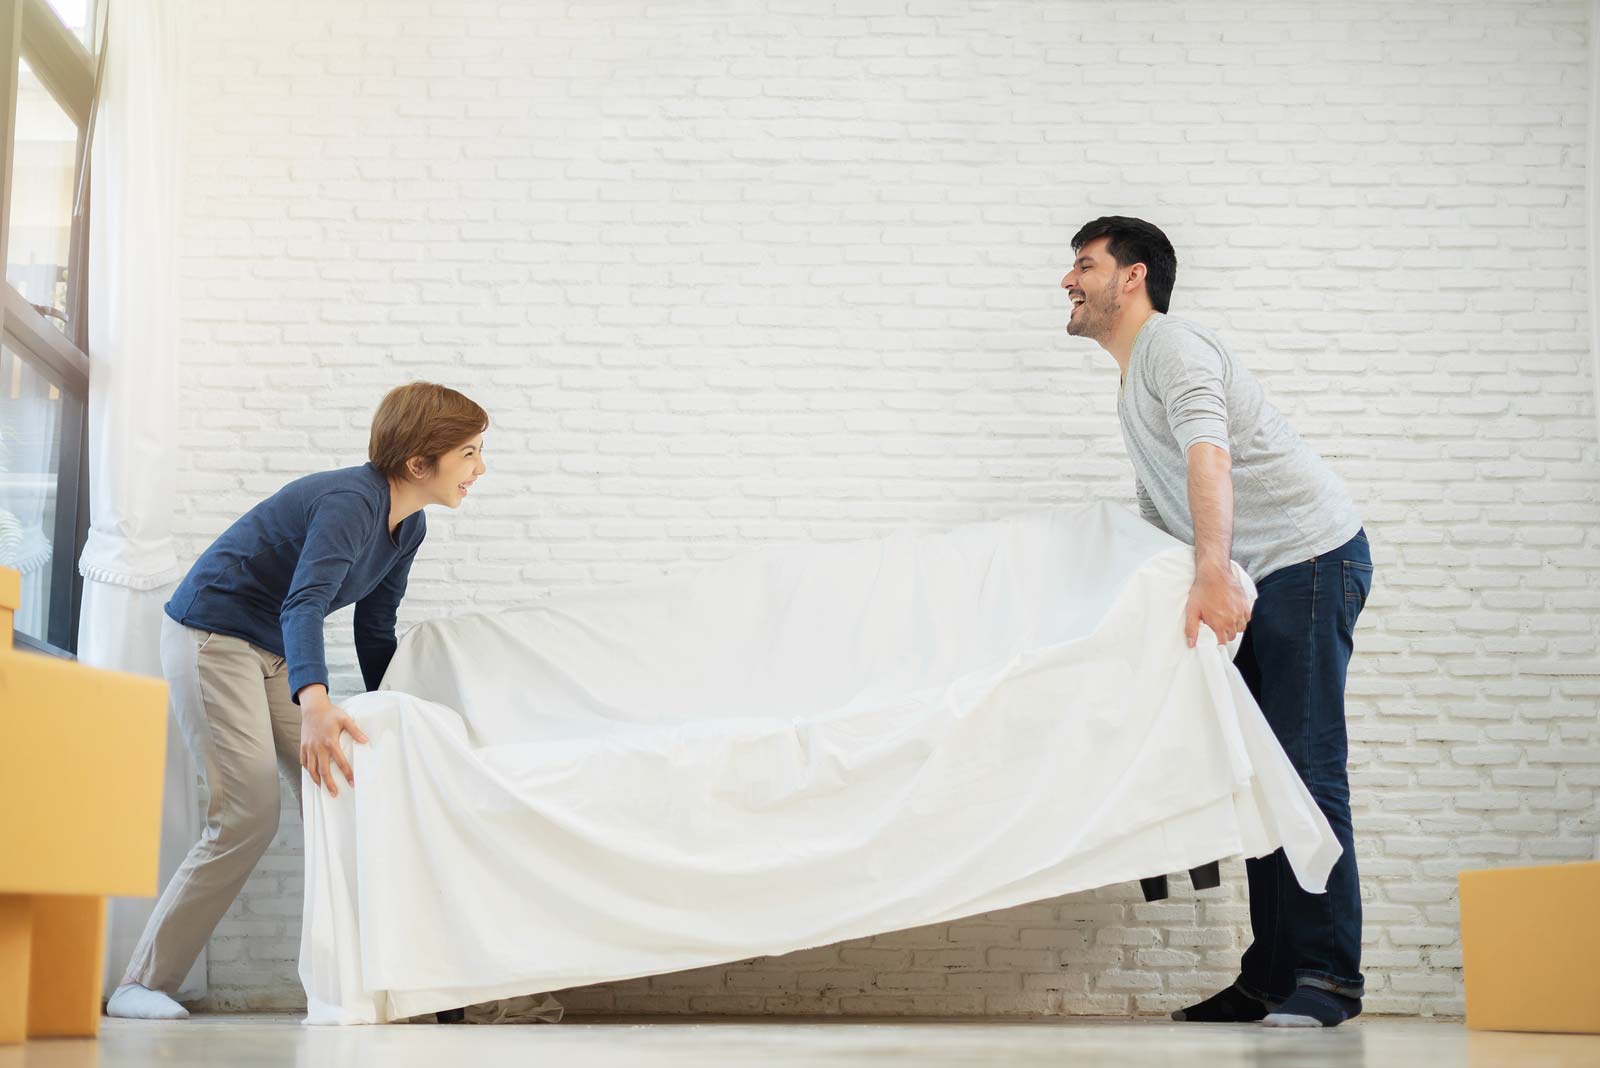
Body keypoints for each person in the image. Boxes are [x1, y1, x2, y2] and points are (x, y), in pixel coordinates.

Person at [1061, 217, 1373, 1028]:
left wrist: (1210, 570)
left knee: (1303, 768)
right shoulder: (1132, 379)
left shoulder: (1173, 346)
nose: (1069, 281)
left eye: (1085, 265)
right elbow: (1162, 503)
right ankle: (1271, 975)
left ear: (1132, 278)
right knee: (1255, 774)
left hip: (1306, 562)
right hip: (1255, 575)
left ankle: (1328, 977)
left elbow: (1211, 455)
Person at [105, 382, 488, 1021]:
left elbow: (374, 628)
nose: (481, 469)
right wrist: (315, 701)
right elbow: (304, 603)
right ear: (421, 462)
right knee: (249, 814)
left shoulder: (407, 524)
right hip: (213, 635)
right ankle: (141, 984)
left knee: (351, 789)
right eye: (471, 453)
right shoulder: (351, 503)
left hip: (276, 648)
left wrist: (395, 710)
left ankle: (393, 979)